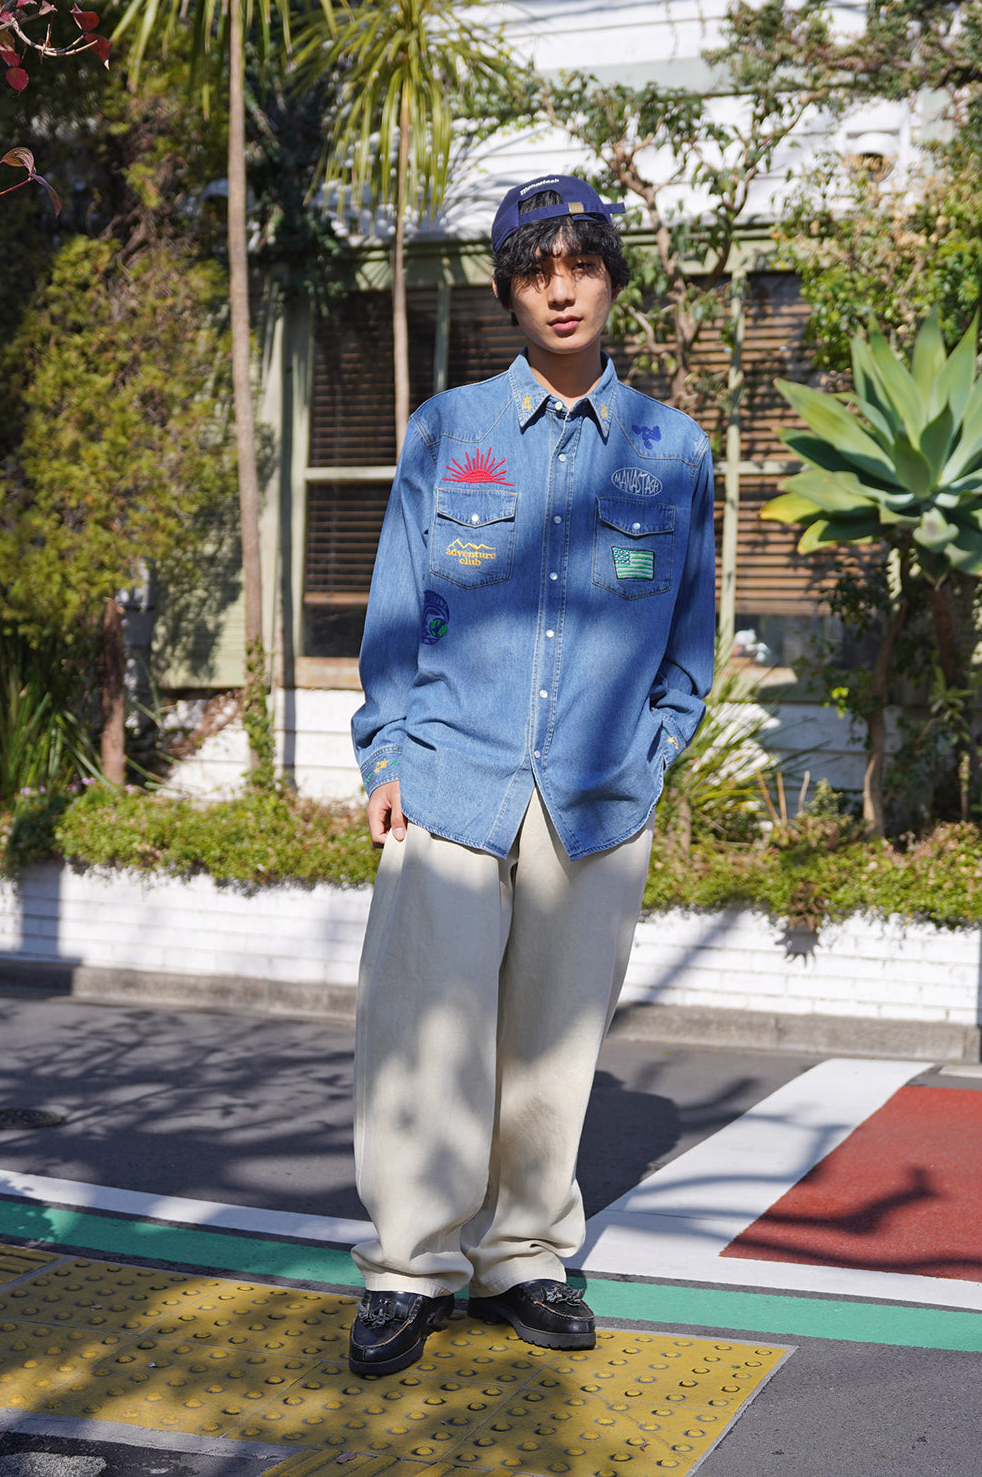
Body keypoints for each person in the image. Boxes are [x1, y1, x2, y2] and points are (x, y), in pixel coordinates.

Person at [348, 174, 715, 1376]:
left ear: (610, 278)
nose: (560, 290)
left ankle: (522, 1258)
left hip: (597, 796)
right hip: (450, 774)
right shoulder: (447, 430)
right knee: (422, 1034)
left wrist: (652, 750)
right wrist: (386, 750)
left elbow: (691, 637)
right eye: (535, 271)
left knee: (555, 1046)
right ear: (508, 291)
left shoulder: (673, 449)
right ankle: (408, 1268)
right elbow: (397, 605)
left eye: (580, 265)